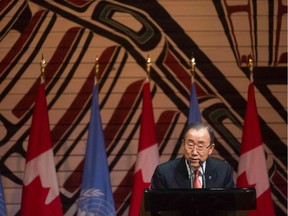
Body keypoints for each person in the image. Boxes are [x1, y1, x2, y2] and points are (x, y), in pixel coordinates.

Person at [151, 122, 235, 189]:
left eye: (200, 146)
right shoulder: (164, 173)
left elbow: (230, 207)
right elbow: (156, 208)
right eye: (190, 145)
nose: (194, 152)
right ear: (183, 145)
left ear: (210, 149)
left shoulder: (223, 171)